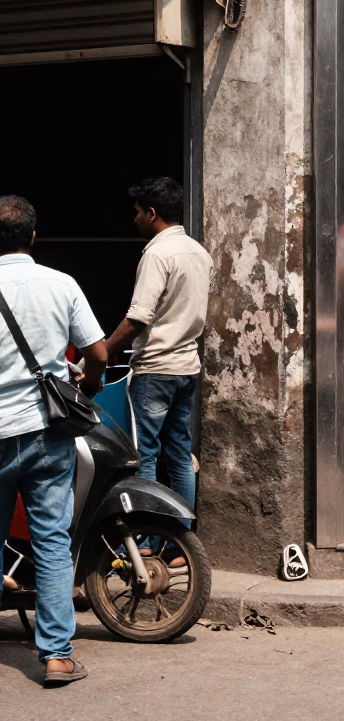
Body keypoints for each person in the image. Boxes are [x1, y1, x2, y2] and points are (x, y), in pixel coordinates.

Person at [0, 195, 107, 685]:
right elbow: (98, 352)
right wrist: (86, 384)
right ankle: (58, 656)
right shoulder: (61, 284)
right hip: (47, 432)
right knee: (51, 543)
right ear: (34, 236)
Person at [104, 179, 212, 540]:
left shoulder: (157, 254)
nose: (134, 220)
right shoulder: (199, 252)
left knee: (145, 456)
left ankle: (147, 542)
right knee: (180, 454)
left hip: (155, 369)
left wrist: (104, 349)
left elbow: (138, 318)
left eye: (137, 213)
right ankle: (182, 540)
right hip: (186, 369)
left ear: (152, 213)